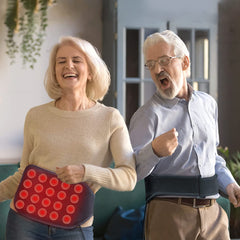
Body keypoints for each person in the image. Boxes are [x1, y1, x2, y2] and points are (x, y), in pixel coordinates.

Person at [0, 36, 137, 240]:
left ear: (90, 71)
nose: (68, 66)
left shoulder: (110, 118)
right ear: (55, 72)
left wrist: (86, 172)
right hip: (24, 221)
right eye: (61, 61)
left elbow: (129, 177)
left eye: (76, 60)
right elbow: (24, 174)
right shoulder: (36, 116)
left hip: (76, 225)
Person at [129, 30, 240, 240]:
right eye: (151, 64)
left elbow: (212, 157)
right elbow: (131, 171)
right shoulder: (146, 116)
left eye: (163, 60)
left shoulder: (208, 104)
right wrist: (154, 151)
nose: (157, 69)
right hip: (169, 216)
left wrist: (229, 184)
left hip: (214, 214)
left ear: (185, 63)